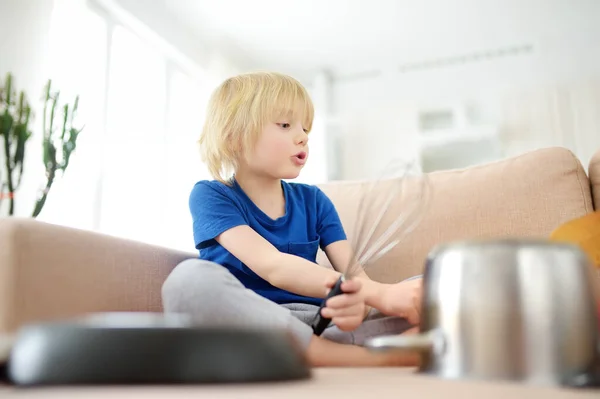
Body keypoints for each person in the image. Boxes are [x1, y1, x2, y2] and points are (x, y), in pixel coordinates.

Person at [161, 71, 423, 367]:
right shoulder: (211, 195)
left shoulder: (314, 201)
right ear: (234, 136)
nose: (302, 137)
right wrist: (379, 293)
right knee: (186, 281)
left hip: (322, 325)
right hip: (251, 327)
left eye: (305, 128)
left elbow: (357, 280)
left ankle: (337, 350)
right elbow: (272, 265)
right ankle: (357, 357)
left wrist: (356, 306)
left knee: (429, 286)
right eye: (285, 125)